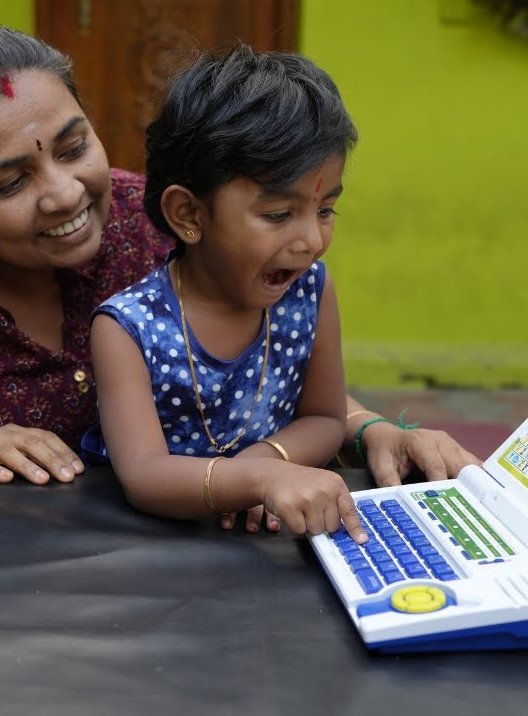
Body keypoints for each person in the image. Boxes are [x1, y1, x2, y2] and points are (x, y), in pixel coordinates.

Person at [0, 24, 477, 491]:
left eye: (73, 147)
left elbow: (263, 369)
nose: (64, 194)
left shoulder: (157, 220)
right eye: (11, 180)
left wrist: (375, 429)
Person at [83, 44, 371, 538]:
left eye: (325, 210)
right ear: (190, 215)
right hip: (148, 553)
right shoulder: (129, 328)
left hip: (265, 541)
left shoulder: (310, 293)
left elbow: (325, 417)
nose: (311, 242)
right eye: (279, 214)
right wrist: (260, 478)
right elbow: (145, 475)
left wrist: (266, 462)